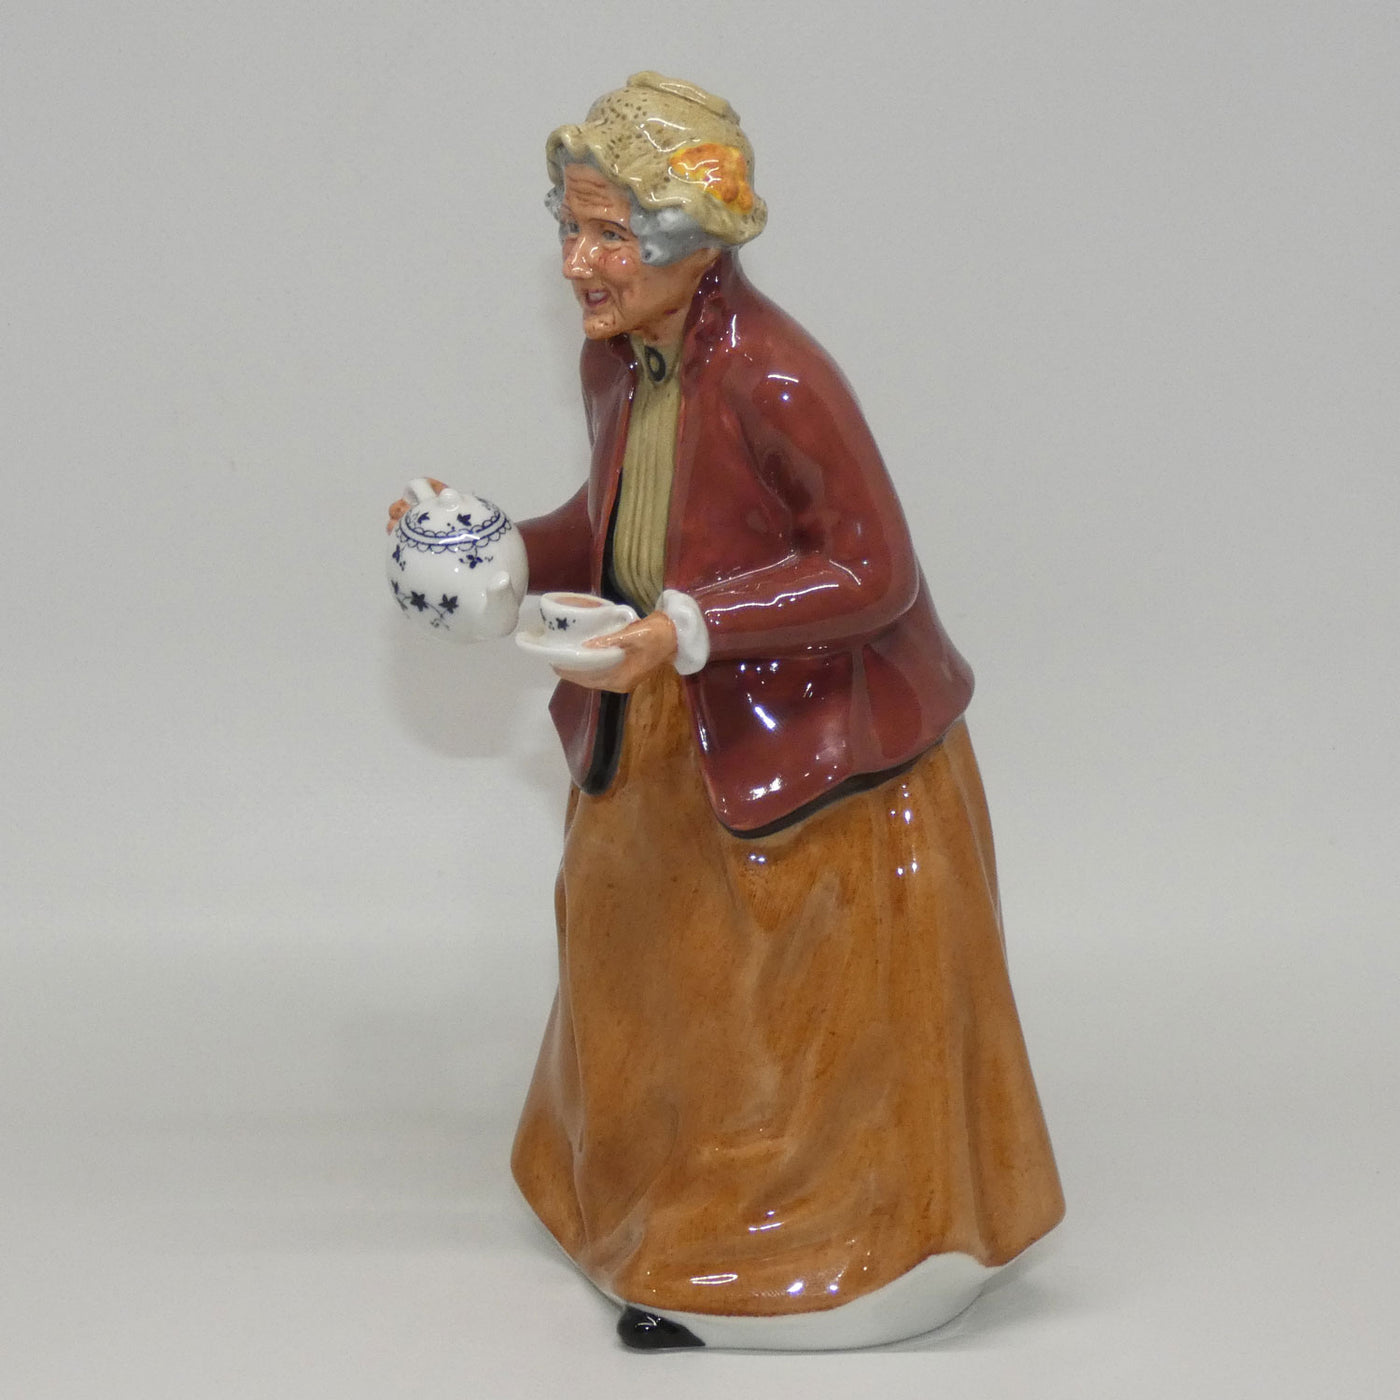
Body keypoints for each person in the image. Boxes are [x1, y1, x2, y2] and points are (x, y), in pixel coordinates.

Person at [414, 72, 1065, 1351]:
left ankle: (800, 1259)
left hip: (815, 749)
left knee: (782, 1028)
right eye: (569, 227)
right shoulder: (619, 365)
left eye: (608, 234)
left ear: (692, 240)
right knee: (624, 951)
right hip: (665, 720)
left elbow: (872, 568)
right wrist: (490, 551)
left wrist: (687, 628)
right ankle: (637, 1211)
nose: (577, 263)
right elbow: (618, 524)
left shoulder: (774, 376)